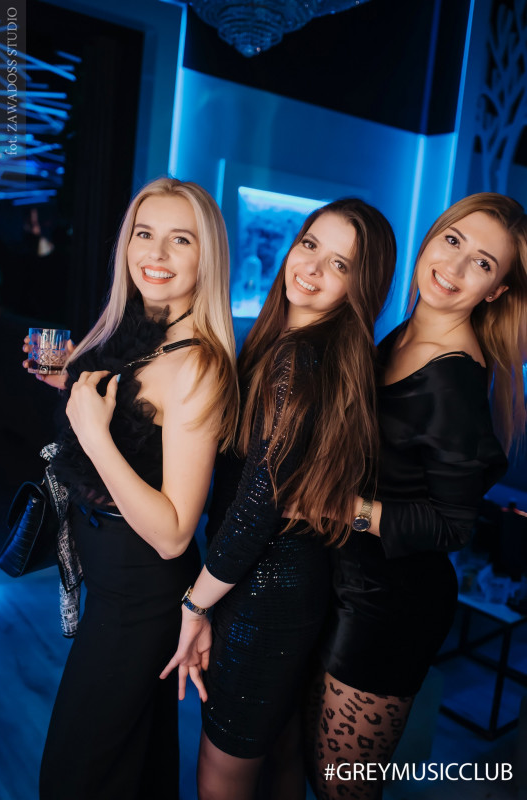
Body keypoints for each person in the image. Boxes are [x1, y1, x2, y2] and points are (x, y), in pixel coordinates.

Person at [161, 198, 398, 800]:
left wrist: (194, 607)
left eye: (340, 264)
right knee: (279, 751)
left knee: (222, 774)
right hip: (289, 584)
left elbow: (254, 509)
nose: (311, 267)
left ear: (360, 287)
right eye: (310, 243)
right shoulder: (300, 349)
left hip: (261, 592)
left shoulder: (297, 358)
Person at [23, 177, 239, 800]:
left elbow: (174, 535)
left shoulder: (198, 364)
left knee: (75, 777)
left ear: (207, 258)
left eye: (180, 240)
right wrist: (74, 382)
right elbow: (134, 423)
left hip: (141, 599)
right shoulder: (137, 330)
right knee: (132, 768)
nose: (156, 253)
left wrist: (94, 434)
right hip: (112, 584)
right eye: (145, 234)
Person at [310, 192, 527, 800]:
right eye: (452, 240)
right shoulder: (405, 334)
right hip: (348, 579)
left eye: (482, 263)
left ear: (496, 291)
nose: (453, 267)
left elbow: (454, 526)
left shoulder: (454, 378)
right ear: (431, 237)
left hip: (390, 607)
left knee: (342, 787)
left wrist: (340, 507)